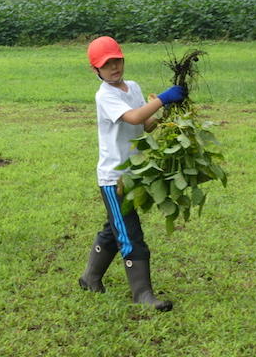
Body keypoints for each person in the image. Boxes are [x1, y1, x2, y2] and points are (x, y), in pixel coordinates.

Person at [79, 36, 186, 312]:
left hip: (134, 175)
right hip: (114, 179)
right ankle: (142, 294)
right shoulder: (105, 95)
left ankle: (90, 278)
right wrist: (162, 98)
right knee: (129, 234)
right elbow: (134, 117)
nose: (114, 67)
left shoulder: (133, 87)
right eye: (107, 65)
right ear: (96, 71)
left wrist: (167, 110)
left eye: (117, 61)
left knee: (113, 229)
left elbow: (146, 124)